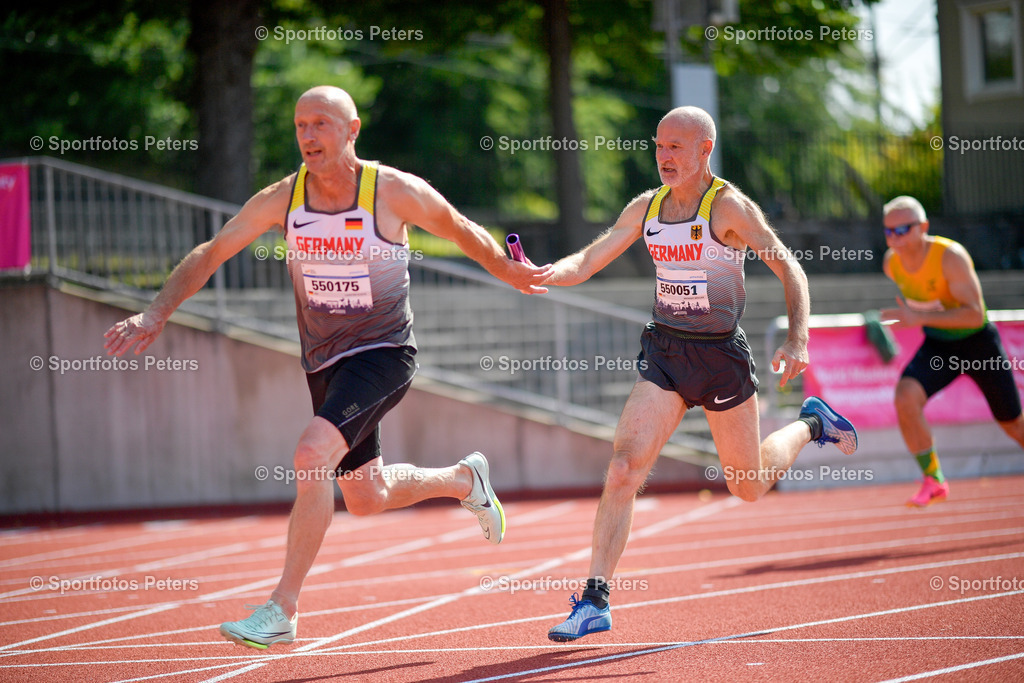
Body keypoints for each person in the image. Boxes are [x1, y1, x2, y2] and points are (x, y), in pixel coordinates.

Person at [103, 85, 552, 649]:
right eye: (299, 125)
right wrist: (156, 312)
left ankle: (282, 608)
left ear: (352, 129)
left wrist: (507, 269)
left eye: (321, 123)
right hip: (323, 363)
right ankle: (465, 480)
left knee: (311, 454)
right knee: (368, 497)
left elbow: (460, 228)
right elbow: (212, 252)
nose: (308, 135)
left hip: (384, 353)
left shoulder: (390, 192)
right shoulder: (283, 200)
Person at [538, 106, 859, 642]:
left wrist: (798, 337)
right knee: (622, 469)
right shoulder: (647, 207)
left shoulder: (728, 208)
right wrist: (550, 274)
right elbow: (591, 259)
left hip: (719, 357)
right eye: (659, 146)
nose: (664, 157)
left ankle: (811, 423)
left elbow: (789, 266)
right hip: (665, 352)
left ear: (705, 149)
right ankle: (595, 599)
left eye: (676, 147)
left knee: (748, 485)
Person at [880, 195, 1024, 507]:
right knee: (906, 396)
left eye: (903, 230)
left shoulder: (950, 256)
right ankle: (933, 479)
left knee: (1013, 424)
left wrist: (919, 318)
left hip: (978, 344)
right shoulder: (891, 264)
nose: (895, 239)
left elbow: (974, 313)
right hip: (940, 346)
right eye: (889, 232)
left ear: (924, 227)